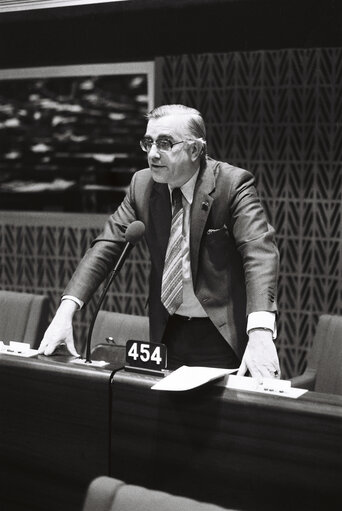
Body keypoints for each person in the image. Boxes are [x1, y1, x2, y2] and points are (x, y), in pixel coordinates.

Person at [39, 104, 280, 380]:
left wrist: (260, 330)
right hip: (168, 331)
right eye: (148, 142)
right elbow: (107, 244)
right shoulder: (142, 185)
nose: (153, 153)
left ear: (194, 150)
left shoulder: (232, 184)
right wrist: (65, 310)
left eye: (165, 143)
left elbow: (259, 253)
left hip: (223, 333)